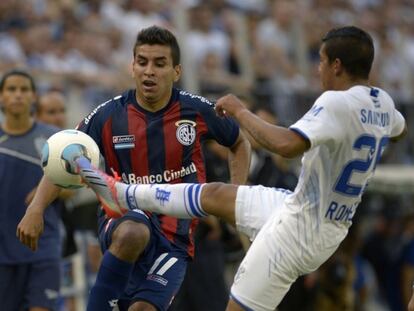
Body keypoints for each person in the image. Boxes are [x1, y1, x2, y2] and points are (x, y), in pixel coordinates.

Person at [63, 26, 407, 311]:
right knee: (216, 193)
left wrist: (242, 112)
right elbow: (398, 130)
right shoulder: (384, 104)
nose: (317, 71)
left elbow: (285, 144)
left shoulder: (336, 101)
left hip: (300, 231)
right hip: (304, 209)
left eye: (319, 62)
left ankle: (126, 192)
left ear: (335, 64)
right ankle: (126, 193)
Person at [17, 25, 250, 311]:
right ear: (132, 67)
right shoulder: (108, 115)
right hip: (124, 218)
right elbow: (65, 153)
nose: (149, 71)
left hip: (175, 237)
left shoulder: (196, 110)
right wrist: (36, 209)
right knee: (133, 233)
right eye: (142, 62)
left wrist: (237, 196)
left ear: (176, 71)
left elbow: (239, 142)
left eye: (159, 63)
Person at [0, 70, 61, 311]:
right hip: (3, 252)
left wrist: (44, 193)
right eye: (11, 89)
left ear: (34, 97)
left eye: (24, 90)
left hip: (42, 247)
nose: (18, 95)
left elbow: (74, 186)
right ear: (1, 97)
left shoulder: (52, 139)